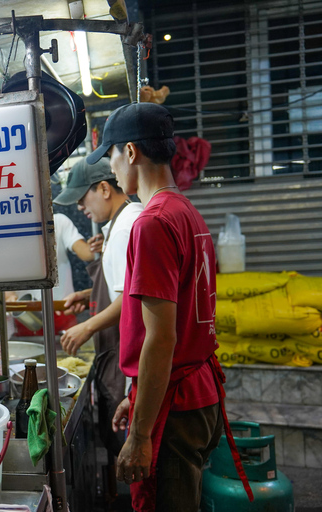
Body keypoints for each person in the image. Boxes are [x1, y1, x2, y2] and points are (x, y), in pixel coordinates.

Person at [86, 103, 249, 511]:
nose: (113, 166)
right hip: (197, 393)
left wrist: (140, 435)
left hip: (176, 405)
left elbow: (161, 339)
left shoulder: (152, 221)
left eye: (111, 155)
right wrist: (139, 396)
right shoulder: (186, 212)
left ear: (131, 152)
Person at [54, 156, 143, 458]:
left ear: (104, 188)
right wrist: (89, 292)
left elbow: (131, 297)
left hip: (126, 356)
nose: (80, 208)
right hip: (120, 352)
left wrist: (87, 325)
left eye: (82, 198)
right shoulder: (125, 219)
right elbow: (129, 283)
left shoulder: (122, 231)